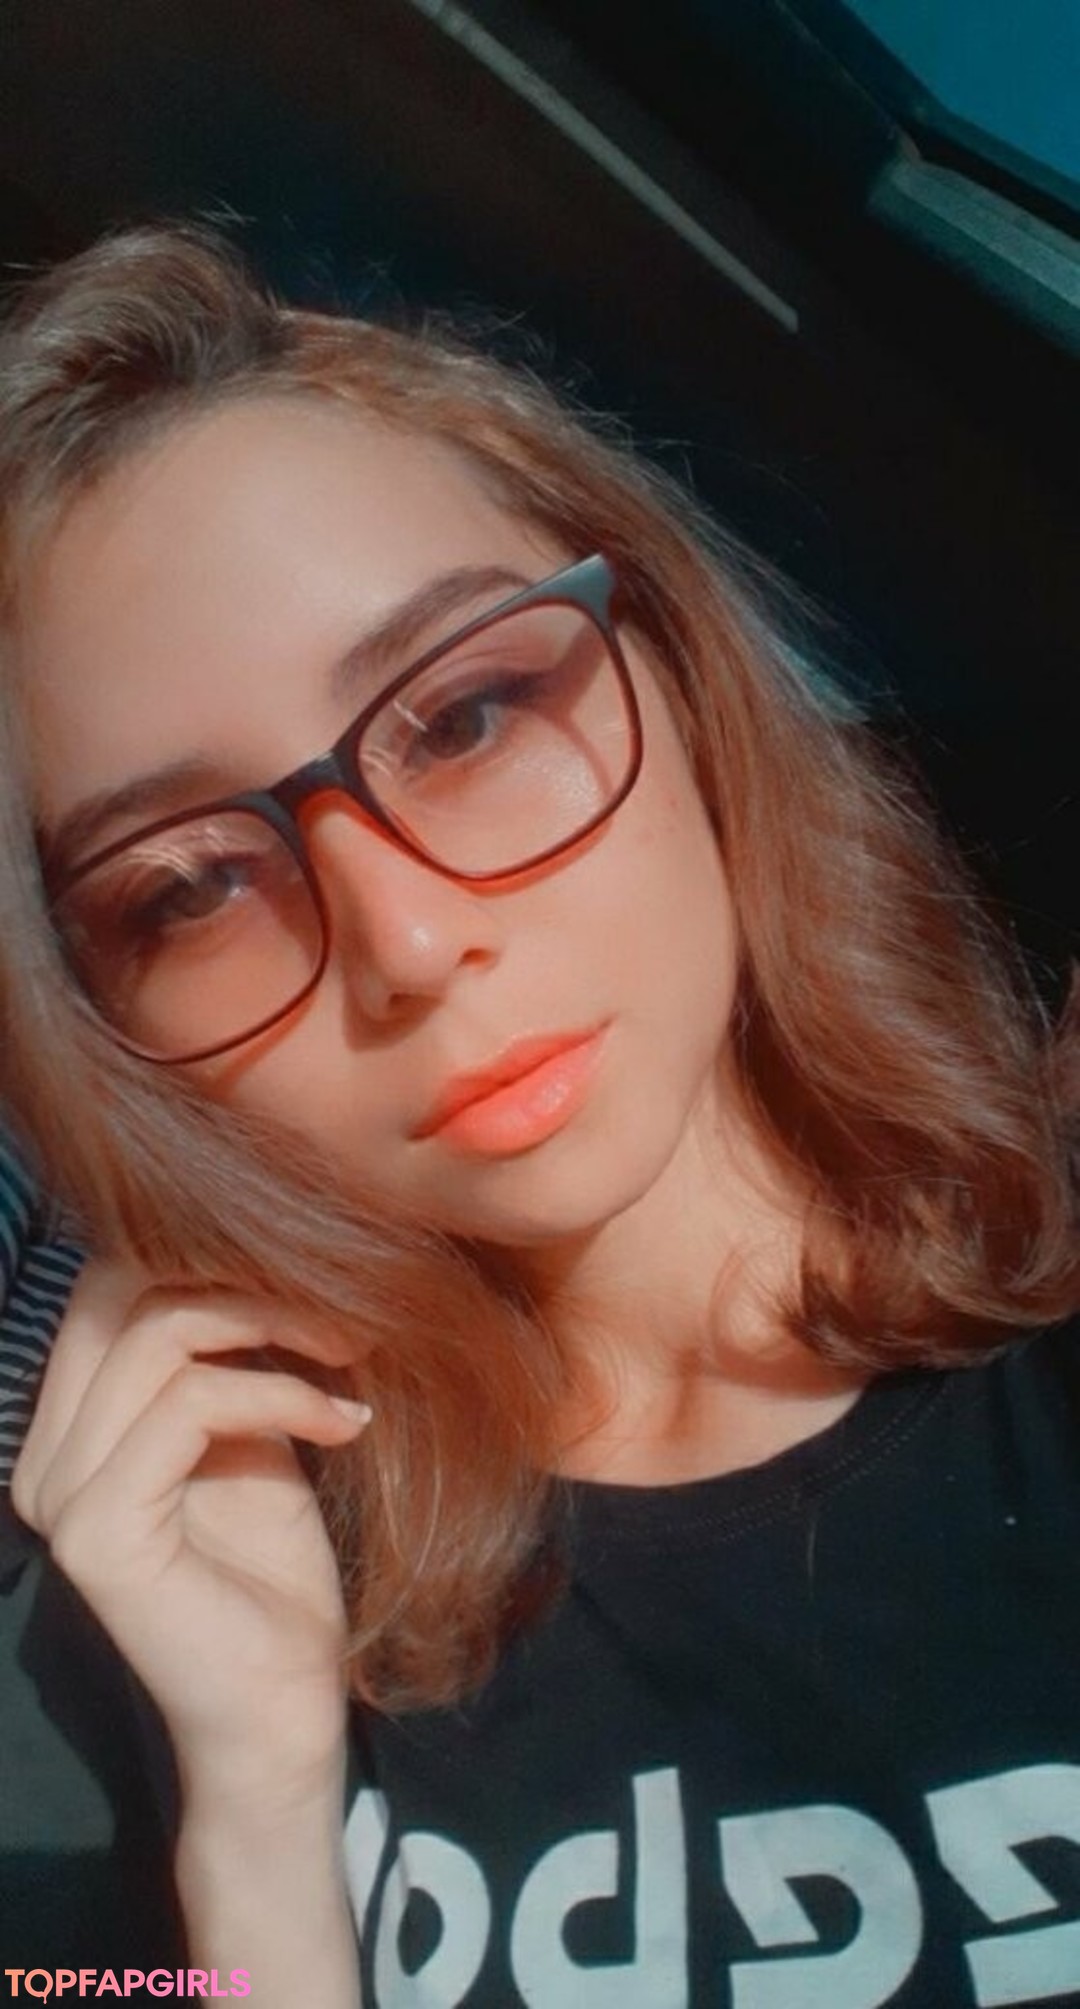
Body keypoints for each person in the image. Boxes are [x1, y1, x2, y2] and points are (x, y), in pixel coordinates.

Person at [0, 221, 1076, 2008]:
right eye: (190, 888)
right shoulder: (157, 1598)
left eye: (471, 713)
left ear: (679, 665)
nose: (408, 944)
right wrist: (253, 1831)